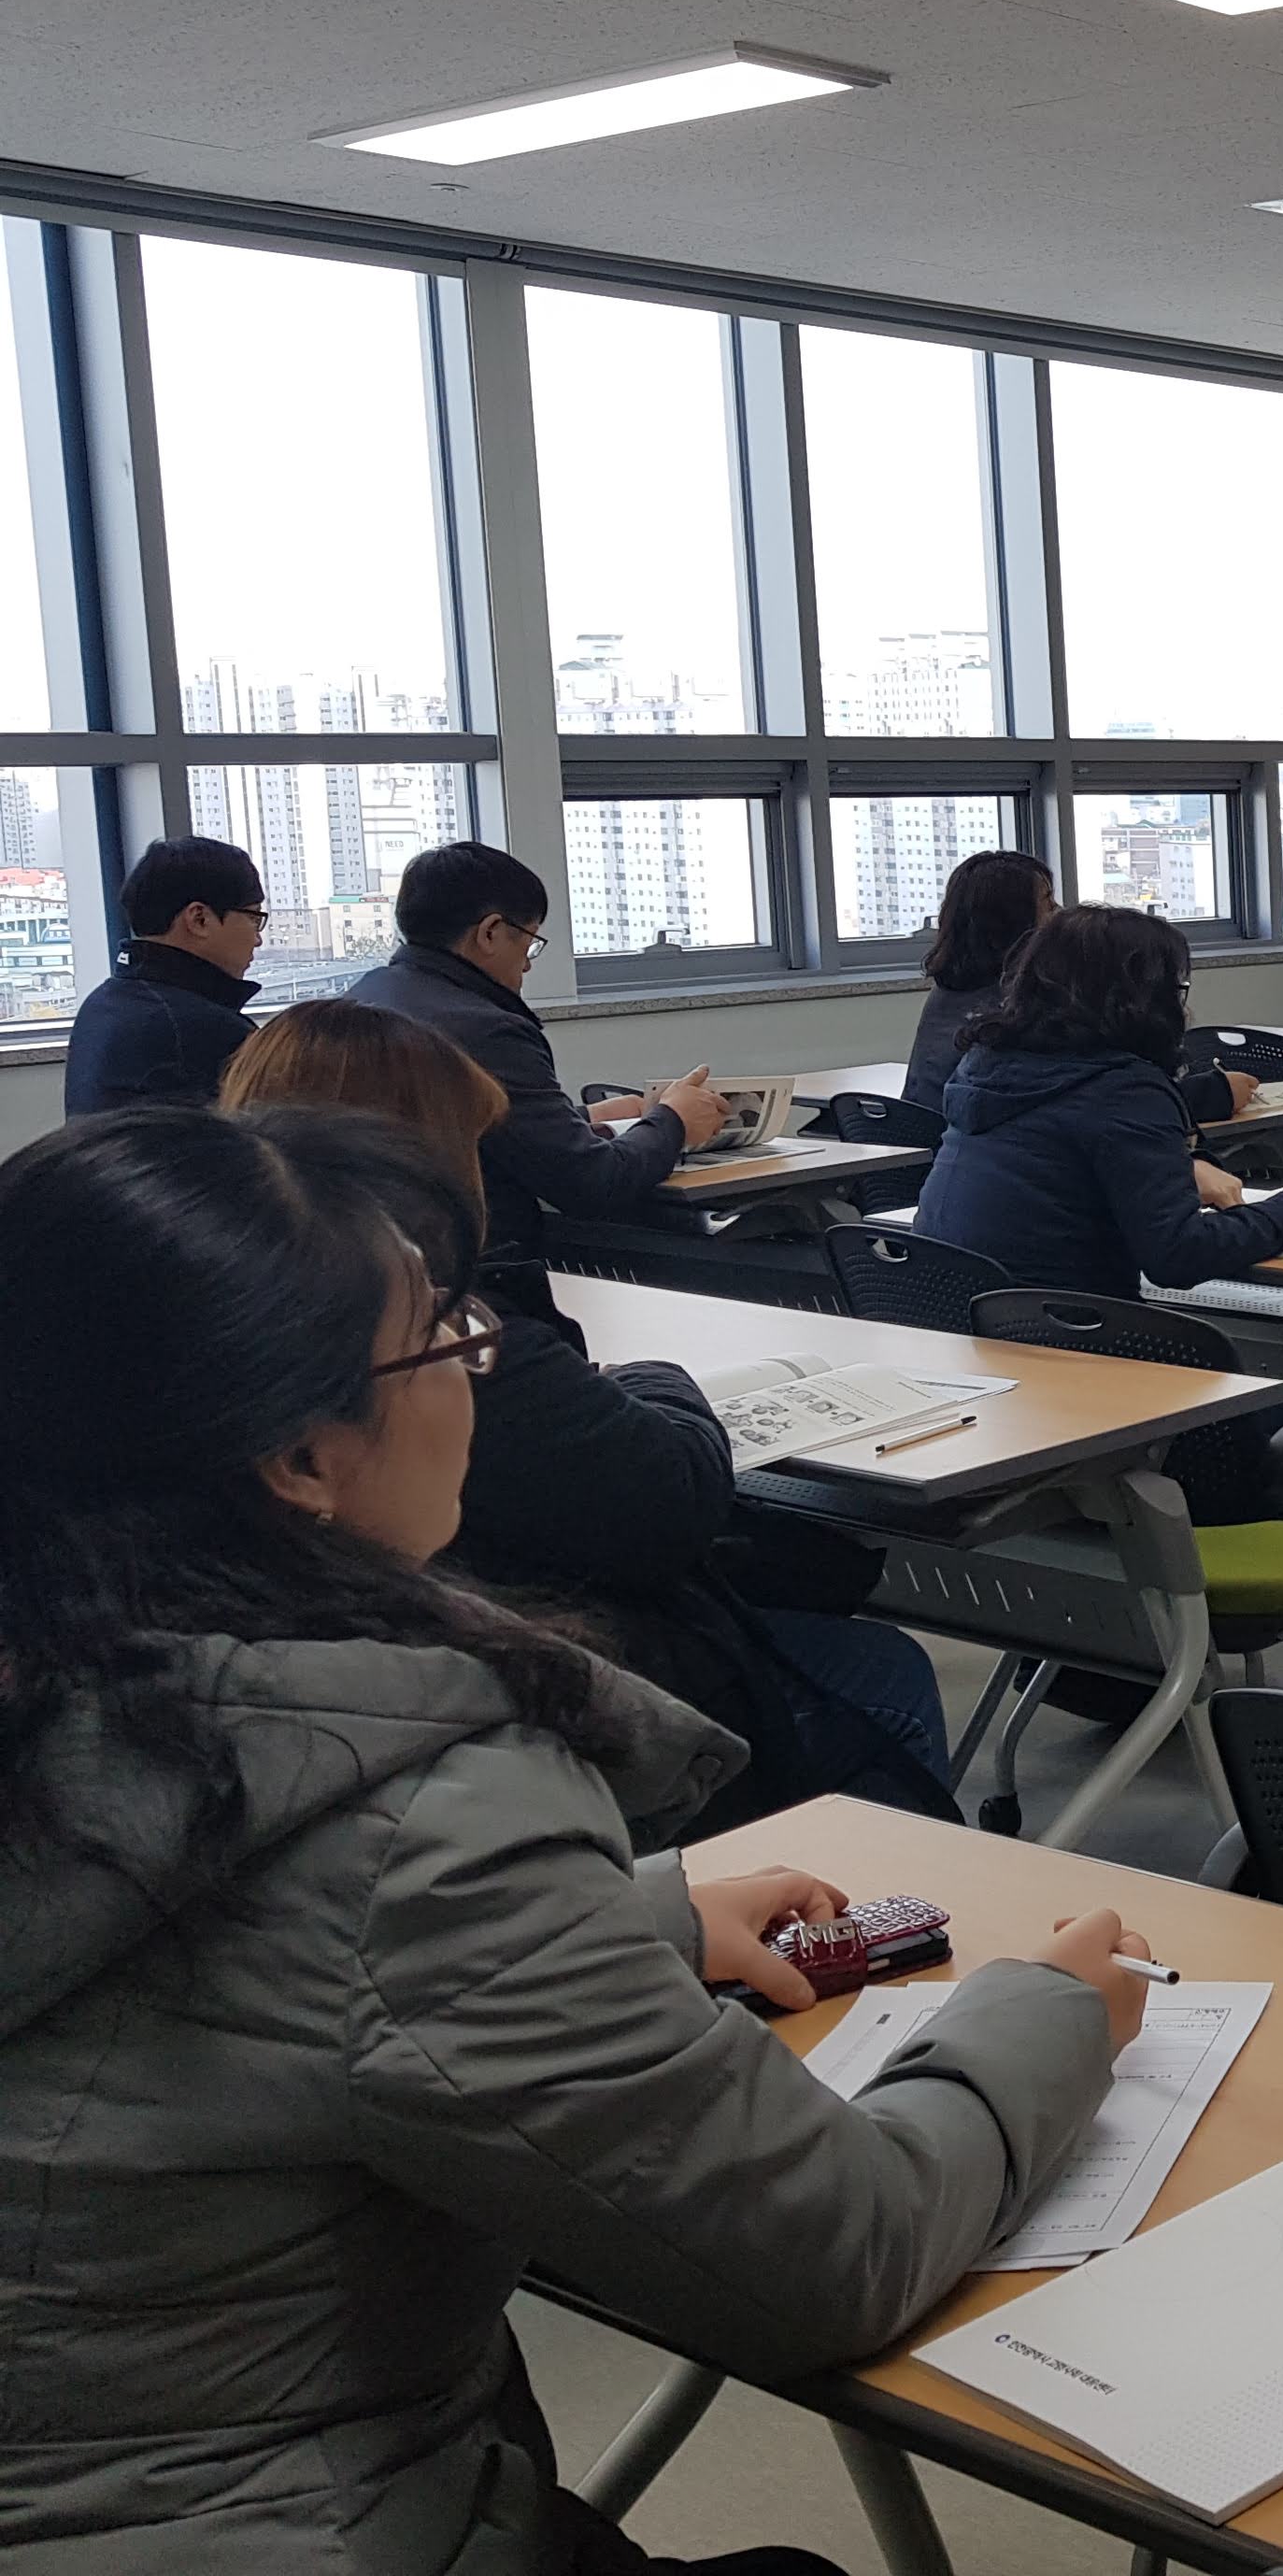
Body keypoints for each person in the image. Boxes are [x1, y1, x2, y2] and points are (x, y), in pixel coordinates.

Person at [0, 1101, 1148, 2576]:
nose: (475, 1369)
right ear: (299, 1456)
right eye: (442, 1337)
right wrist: (1040, 2017)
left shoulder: (81, 1698)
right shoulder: (413, 1816)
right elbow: (836, 2252)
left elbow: (216, 1985)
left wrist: (633, 1917)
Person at [221, 999, 957, 1832]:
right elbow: (666, 1498)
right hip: (569, 1678)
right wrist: (655, 1379)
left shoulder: (237, 1332)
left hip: (455, 1666)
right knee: (880, 1676)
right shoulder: (440, 1348)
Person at [914, 904, 1283, 1298]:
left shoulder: (986, 1066)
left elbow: (1058, 1169)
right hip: (1057, 1328)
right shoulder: (1125, 1090)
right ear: (1142, 1000)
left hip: (949, 1316)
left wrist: (1184, 1168)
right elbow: (1177, 1256)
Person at [349, 840, 730, 1262]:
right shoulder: (486, 1030)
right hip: (482, 1273)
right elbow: (591, 1185)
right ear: (491, 932)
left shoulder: (363, 998)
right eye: (529, 943)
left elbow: (457, 1132)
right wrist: (674, 1121)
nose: (528, 964)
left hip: (379, 1264)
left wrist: (583, 1119)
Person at [59, 833, 265, 1115]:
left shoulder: (103, 1004)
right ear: (199, 919)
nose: (258, 939)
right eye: (253, 917)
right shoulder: (204, 1030)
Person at [902, 847, 1058, 1111]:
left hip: (930, 1127)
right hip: (964, 1128)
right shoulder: (1016, 1000)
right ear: (1014, 921)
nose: (1059, 913)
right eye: (1049, 904)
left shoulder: (950, 988)